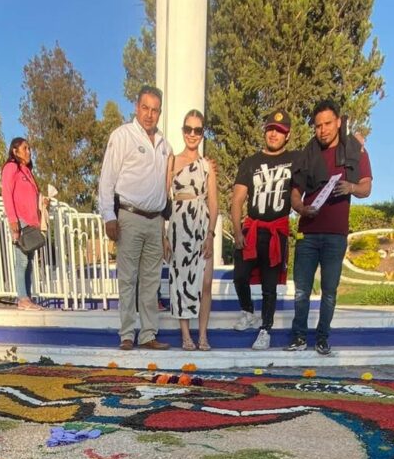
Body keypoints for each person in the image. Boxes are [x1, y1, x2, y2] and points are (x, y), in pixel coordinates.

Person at [286, 100, 372, 355]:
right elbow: (294, 194)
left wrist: (351, 188)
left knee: (330, 291)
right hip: (308, 233)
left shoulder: (354, 150)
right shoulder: (307, 154)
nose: (322, 130)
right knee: (301, 290)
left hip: (336, 234)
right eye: (317, 126)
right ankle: (298, 337)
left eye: (327, 124)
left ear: (338, 122)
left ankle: (322, 338)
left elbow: (366, 187)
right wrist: (301, 208)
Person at [98, 86, 173, 350]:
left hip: (155, 221)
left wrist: (163, 230)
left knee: (151, 282)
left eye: (155, 110)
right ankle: (127, 334)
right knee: (128, 278)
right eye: (145, 108)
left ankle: (149, 334)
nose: (149, 114)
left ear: (160, 112)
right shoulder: (122, 136)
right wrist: (109, 215)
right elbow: (107, 178)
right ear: (136, 107)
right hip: (129, 216)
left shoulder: (166, 145)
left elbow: (164, 190)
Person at [230, 110, 298, 350]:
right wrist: (237, 231)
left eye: (279, 131)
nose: (273, 134)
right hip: (252, 228)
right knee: (240, 276)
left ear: (287, 135)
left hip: (276, 232)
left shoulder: (296, 160)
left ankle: (265, 328)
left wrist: (353, 143)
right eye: (270, 129)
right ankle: (248, 311)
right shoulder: (250, 162)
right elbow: (237, 199)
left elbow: (319, 157)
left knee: (270, 286)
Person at [164, 109, 218, 351]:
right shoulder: (172, 161)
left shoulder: (207, 165)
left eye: (197, 130)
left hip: (202, 224)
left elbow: (214, 203)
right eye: (188, 129)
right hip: (178, 224)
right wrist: (163, 234)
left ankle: (203, 335)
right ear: (183, 131)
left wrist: (211, 234)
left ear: (202, 133)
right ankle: (186, 335)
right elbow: (163, 199)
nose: (192, 134)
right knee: (180, 280)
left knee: (205, 283)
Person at [1, 137, 48, 311]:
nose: (29, 152)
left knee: (29, 261)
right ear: (15, 151)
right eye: (25, 148)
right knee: (21, 261)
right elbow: (7, 194)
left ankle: (27, 296)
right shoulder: (11, 168)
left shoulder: (27, 172)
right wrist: (13, 221)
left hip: (32, 222)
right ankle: (22, 298)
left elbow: (33, 195)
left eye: (29, 149)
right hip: (20, 220)